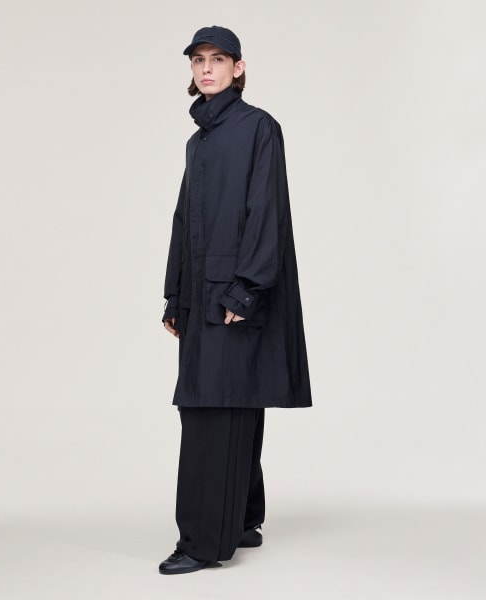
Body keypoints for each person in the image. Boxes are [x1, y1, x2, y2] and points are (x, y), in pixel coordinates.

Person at [159, 25, 312, 575]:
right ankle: (243, 519)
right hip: (200, 294)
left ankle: (202, 542)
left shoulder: (257, 127)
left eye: (218, 60)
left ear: (238, 68)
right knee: (225, 401)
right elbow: (184, 220)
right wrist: (174, 293)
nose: (206, 69)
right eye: (198, 60)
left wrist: (246, 288)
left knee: (216, 408)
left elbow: (267, 209)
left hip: (233, 292)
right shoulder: (198, 141)